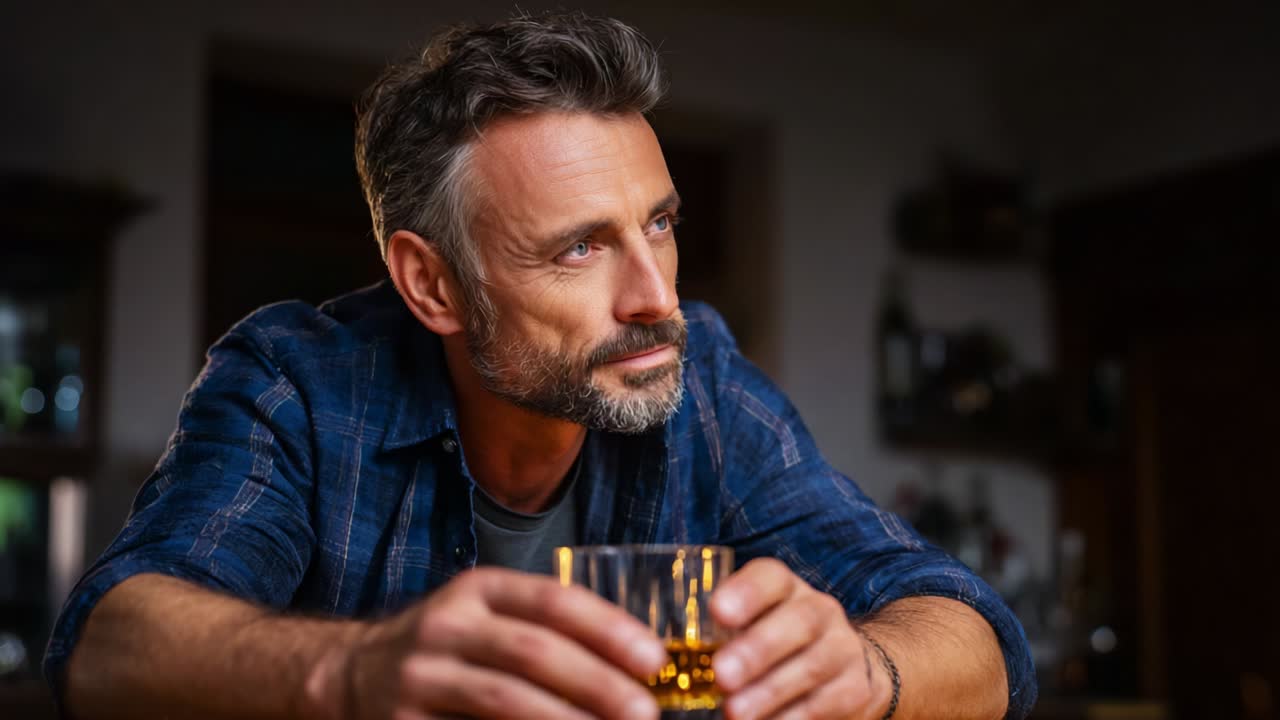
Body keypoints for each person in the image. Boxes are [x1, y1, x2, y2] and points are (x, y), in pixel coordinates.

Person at [45, 12, 1036, 720]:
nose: (655, 296)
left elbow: (978, 639)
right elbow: (104, 648)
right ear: (429, 286)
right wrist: (353, 676)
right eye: (578, 248)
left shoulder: (704, 386)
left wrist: (867, 673)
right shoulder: (296, 381)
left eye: (660, 225)